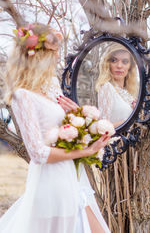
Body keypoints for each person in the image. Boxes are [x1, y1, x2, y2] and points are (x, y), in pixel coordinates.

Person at [0, 23, 111, 233]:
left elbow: (65, 128)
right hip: (51, 181)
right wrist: (86, 151)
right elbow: (38, 153)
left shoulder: (50, 86)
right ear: (36, 56)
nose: (57, 58)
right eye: (53, 53)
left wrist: (78, 114)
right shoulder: (22, 96)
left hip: (73, 176)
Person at [95, 43, 139, 127]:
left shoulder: (128, 92)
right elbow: (103, 127)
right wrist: (129, 120)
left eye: (125, 62)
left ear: (130, 66)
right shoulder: (106, 87)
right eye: (114, 60)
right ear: (108, 64)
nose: (119, 66)